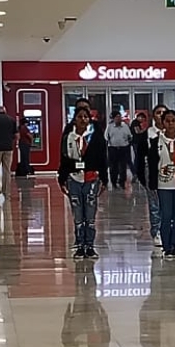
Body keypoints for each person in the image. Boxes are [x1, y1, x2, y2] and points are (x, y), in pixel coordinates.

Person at [57, 107, 108, 259]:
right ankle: (80, 245)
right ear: (74, 119)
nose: (83, 119)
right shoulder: (68, 137)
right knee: (78, 214)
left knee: (90, 215)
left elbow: (102, 158)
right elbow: (64, 159)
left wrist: (104, 178)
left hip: (92, 177)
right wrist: (62, 178)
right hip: (73, 178)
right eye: (79, 116)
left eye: (86, 117)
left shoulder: (96, 137)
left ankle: (90, 245)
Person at [147, 109, 175, 260]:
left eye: (173, 121)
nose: (170, 124)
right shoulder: (156, 142)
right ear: (162, 123)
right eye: (167, 121)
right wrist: (152, 184)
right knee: (166, 215)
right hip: (163, 184)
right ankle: (167, 246)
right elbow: (152, 164)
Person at [136, 105, 167, 250]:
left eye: (164, 112)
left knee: (168, 202)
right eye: (158, 113)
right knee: (155, 203)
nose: (161, 115)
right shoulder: (147, 134)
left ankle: (169, 231)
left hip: (170, 170)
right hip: (152, 171)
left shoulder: (173, 133)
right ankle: (157, 232)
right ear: (153, 116)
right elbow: (140, 158)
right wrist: (142, 176)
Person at [105, 110, 133, 190]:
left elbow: (129, 136)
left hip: (123, 148)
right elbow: (106, 137)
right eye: (116, 117)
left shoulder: (125, 126)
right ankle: (113, 182)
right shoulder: (110, 126)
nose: (118, 119)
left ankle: (122, 182)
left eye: (119, 117)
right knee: (113, 166)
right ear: (113, 119)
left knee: (123, 166)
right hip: (113, 148)